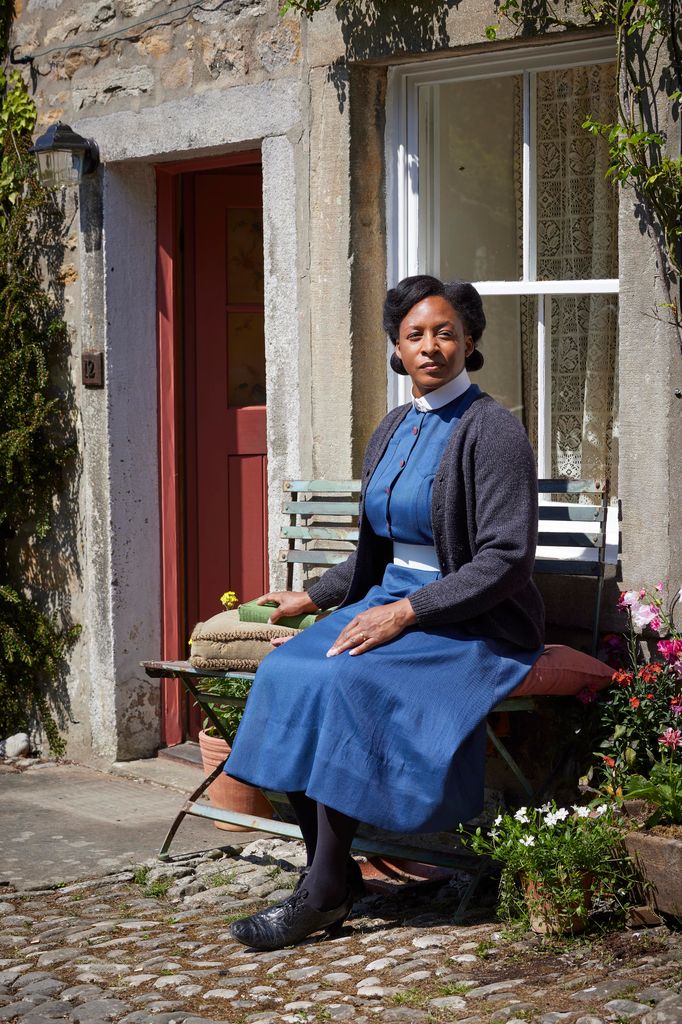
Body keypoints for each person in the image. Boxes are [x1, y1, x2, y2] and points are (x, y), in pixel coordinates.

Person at [225, 274, 545, 951]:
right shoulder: (394, 427)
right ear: (397, 349)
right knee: (289, 671)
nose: (432, 346)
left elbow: (505, 562)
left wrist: (406, 614)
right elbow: (376, 551)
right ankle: (335, 874)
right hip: (387, 600)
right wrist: (313, 596)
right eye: (416, 335)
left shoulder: (494, 431)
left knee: (347, 679)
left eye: (446, 332)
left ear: (470, 341)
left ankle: (321, 893)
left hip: (470, 619)